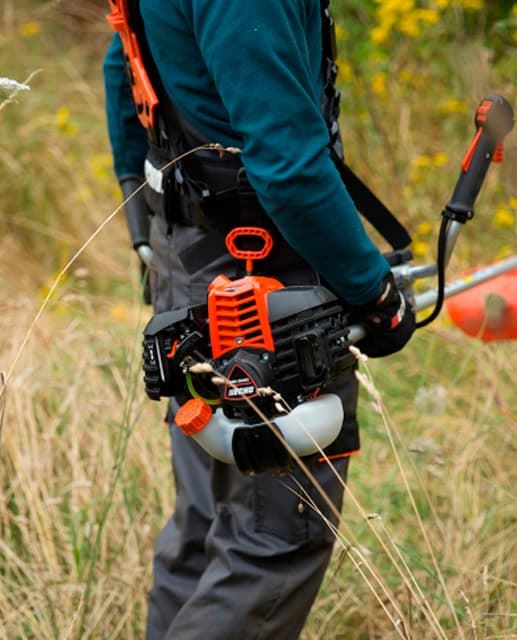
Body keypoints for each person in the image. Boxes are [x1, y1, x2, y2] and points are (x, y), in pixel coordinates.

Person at [103, 1, 415, 638]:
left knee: (208, 523)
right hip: (259, 271)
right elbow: (290, 167)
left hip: (187, 250)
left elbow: (124, 62)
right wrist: (373, 292)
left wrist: (147, 228)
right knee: (273, 539)